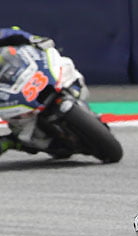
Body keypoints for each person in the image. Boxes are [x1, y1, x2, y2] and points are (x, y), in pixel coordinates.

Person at [0, 26, 86, 157]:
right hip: (6, 92)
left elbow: (12, 33)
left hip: (22, 71)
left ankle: (74, 89)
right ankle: (15, 141)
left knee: (62, 64)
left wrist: (33, 39)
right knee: (23, 130)